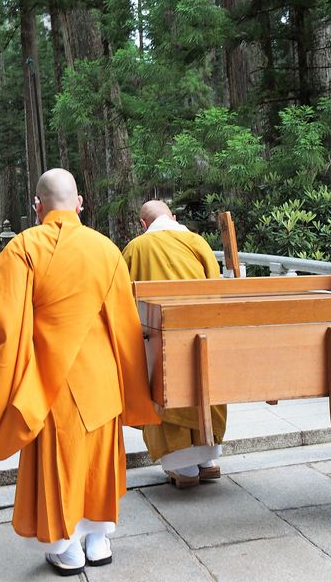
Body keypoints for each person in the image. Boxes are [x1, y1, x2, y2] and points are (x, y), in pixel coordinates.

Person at [0, 168, 160, 575]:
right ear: (80, 204)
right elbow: (125, 326)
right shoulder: (106, 249)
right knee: (98, 460)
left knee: (60, 462)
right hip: (101, 378)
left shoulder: (24, 247)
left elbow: (5, 325)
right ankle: (97, 541)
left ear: (37, 206)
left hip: (50, 380)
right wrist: (132, 385)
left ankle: (67, 547)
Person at [122, 200, 227, 488]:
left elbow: (125, 301)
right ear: (174, 217)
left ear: (143, 224)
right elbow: (215, 289)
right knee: (204, 388)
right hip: (201, 337)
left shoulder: (136, 248)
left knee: (166, 387)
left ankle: (185, 470)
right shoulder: (197, 242)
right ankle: (208, 461)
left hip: (161, 339)